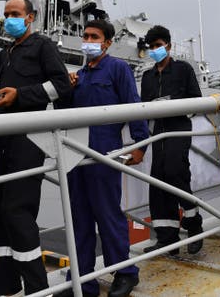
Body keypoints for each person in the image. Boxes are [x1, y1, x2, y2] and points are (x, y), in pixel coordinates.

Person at [0, 0, 71, 296]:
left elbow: (61, 85)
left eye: (14, 14)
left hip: (28, 140)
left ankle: (38, 290)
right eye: (6, 15)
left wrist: (20, 95)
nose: (9, 19)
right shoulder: (8, 52)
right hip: (3, 139)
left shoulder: (43, 46)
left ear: (30, 17)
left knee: (17, 212)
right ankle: (8, 290)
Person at [59, 19, 149, 297]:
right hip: (76, 154)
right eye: (85, 35)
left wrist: (140, 144)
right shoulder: (80, 75)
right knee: (80, 219)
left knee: (108, 214)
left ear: (107, 42)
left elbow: (133, 105)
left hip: (104, 152)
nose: (87, 40)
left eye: (93, 36)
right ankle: (82, 280)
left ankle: (125, 272)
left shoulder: (118, 69)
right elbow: (63, 112)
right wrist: (67, 88)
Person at [140, 25, 203, 255]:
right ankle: (167, 238)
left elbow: (196, 100)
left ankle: (194, 224)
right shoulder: (147, 77)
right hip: (158, 131)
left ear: (168, 45)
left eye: (158, 46)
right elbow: (142, 108)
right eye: (151, 47)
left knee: (175, 171)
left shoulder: (183, 70)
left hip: (177, 128)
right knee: (158, 180)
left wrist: (169, 103)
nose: (155, 50)